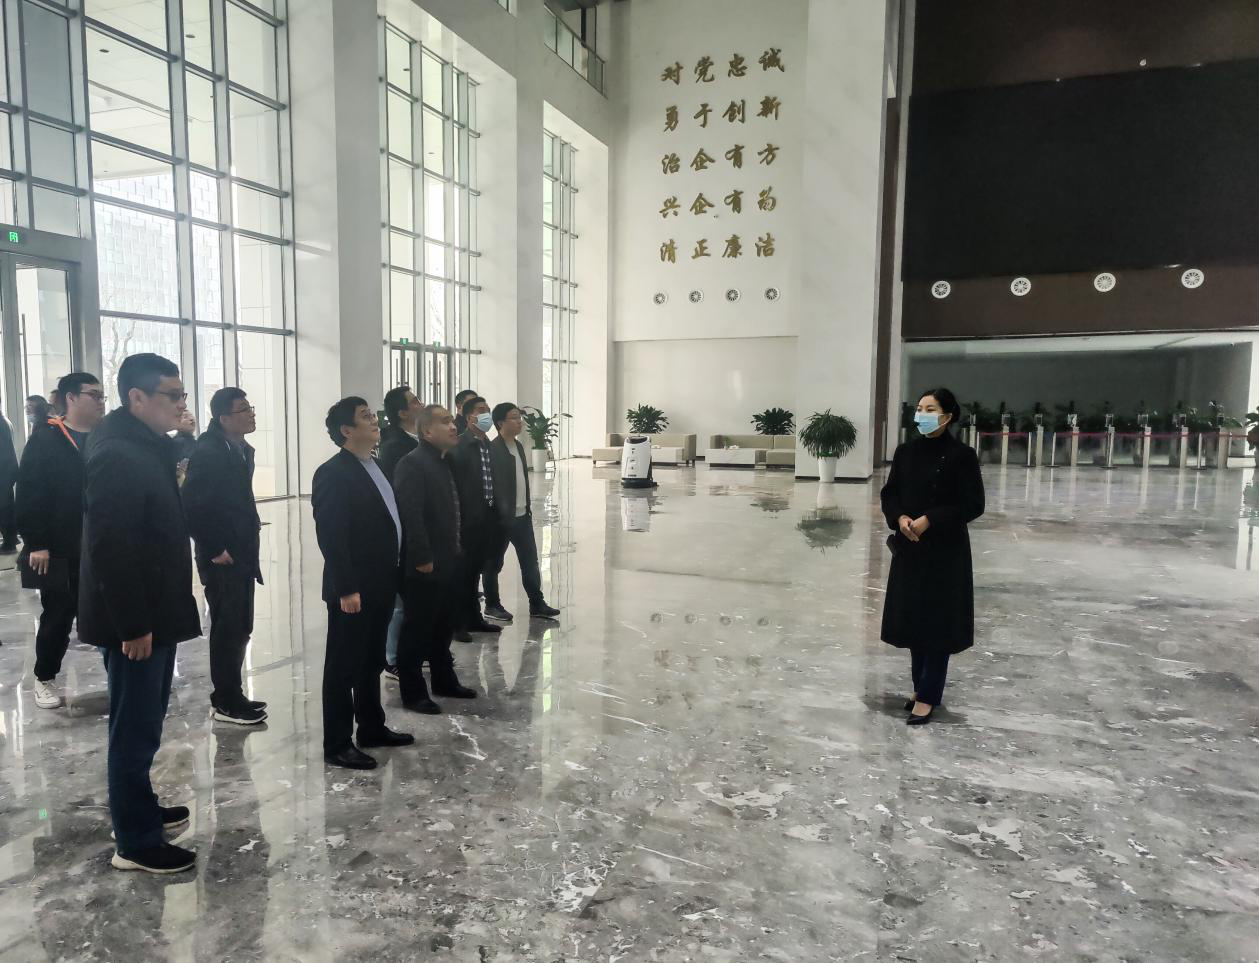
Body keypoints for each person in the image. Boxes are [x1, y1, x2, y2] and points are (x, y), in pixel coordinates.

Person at [79, 353, 202, 874]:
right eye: (172, 395)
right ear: (137, 398)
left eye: (182, 394)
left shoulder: (141, 443)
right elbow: (111, 547)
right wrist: (133, 624)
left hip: (154, 609)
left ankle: (139, 810)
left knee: (145, 723)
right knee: (134, 729)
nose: (181, 404)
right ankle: (134, 841)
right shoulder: (117, 454)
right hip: (136, 620)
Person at [312, 397, 414, 770]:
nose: (374, 420)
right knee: (343, 667)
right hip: (354, 589)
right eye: (366, 416)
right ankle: (337, 743)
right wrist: (346, 588)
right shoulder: (333, 473)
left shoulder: (375, 464)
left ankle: (371, 727)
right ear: (346, 430)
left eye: (373, 414)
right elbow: (332, 536)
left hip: (382, 580)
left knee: (370, 660)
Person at [880, 387, 985, 726]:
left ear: (947, 416)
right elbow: (889, 493)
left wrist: (931, 519)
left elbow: (973, 504)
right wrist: (899, 517)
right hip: (910, 547)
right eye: (920, 408)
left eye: (930, 409)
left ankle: (928, 695)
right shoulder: (906, 452)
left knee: (938, 622)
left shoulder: (961, 456)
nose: (922, 414)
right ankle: (920, 687)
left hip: (945, 552)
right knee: (914, 619)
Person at [16, 372, 106, 710]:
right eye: (93, 395)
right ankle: (44, 678)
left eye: (102, 395)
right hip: (60, 545)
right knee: (58, 614)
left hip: (101, 543)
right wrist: (37, 542)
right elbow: (30, 493)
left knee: (108, 611)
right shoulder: (47, 438)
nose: (100, 402)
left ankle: (122, 674)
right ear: (71, 398)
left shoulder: (105, 436)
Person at [182, 387, 267, 727]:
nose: (251, 414)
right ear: (224, 418)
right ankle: (225, 701)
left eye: (250, 407)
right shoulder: (209, 452)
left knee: (240, 626)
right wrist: (215, 548)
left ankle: (233, 693)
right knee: (228, 627)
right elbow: (192, 505)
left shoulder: (239, 448)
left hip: (242, 552)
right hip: (223, 557)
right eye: (243, 409)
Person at [393, 404, 478, 713]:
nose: (453, 426)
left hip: (450, 558)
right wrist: (421, 557)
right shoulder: (412, 464)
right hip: (426, 563)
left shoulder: (446, 461)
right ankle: (413, 692)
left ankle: (444, 680)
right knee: (417, 629)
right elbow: (410, 515)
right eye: (445, 422)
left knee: (444, 625)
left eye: (452, 420)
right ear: (427, 431)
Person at [482, 403, 561, 622]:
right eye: (514, 418)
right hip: (500, 519)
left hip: (522, 516)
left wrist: (526, 509)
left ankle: (537, 603)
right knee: (492, 564)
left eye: (520, 418)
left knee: (530, 561)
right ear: (500, 423)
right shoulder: (492, 449)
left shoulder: (517, 445)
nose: (520, 422)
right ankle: (492, 605)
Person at [448, 396, 503, 642]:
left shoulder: (488, 445)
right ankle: (456, 623)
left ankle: (474, 618)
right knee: (461, 574)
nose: (486, 414)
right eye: (481, 410)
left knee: (475, 572)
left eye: (488, 409)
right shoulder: (459, 446)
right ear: (469, 417)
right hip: (466, 520)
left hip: (486, 518)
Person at [378, 386, 421, 482]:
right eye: (415, 402)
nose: (422, 404)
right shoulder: (395, 448)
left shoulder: (423, 437)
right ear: (403, 414)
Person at [0, 408, 18, 553]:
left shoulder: (1, 423)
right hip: (6, 470)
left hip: (3, 471)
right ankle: (11, 539)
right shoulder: (5, 421)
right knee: (5, 506)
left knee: (4, 508)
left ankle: (9, 543)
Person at [171, 410, 198, 484]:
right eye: (185, 417)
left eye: (191, 415)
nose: (191, 419)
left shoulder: (195, 443)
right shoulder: (176, 444)